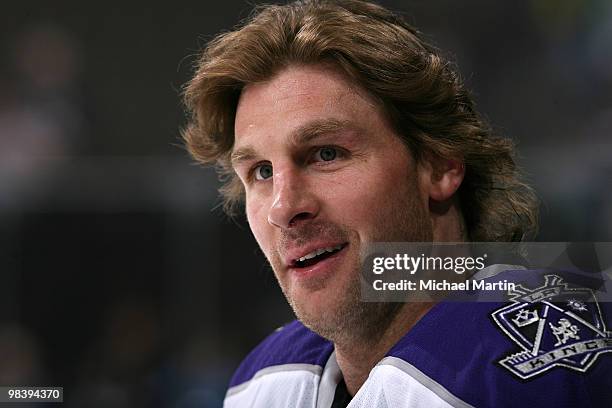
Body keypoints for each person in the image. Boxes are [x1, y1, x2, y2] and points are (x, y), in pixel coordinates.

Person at [182, 0, 611, 406]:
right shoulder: (265, 383)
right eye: (261, 171)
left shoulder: (531, 369)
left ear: (439, 165)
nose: (283, 207)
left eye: (327, 153)